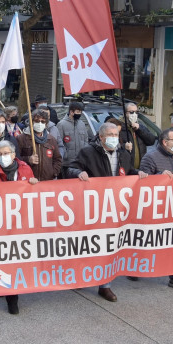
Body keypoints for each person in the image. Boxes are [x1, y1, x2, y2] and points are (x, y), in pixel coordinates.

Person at [65, 122, 148, 301]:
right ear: (101, 137)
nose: (114, 138)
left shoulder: (123, 153)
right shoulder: (88, 152)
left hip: (116, 208)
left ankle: (105, 285)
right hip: (94, 207)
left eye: (116, 135)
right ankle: (82, 275)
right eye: (110, 135)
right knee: (90, 244)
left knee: (109, 245)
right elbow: (70, 168)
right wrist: (78, 173)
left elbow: (127, 172)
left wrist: (138, 173)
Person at [0, 140, 38, 314]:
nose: (3, 157)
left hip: (22, 221)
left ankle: (13, 289)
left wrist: (34, 184)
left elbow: (34, 193)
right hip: (2, 222)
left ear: (14, 155)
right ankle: (11, 296)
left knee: (19, 257)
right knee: (6, 257)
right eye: (0, 154)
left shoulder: (25, 169)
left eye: (6, 153)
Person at [139, 128, 173, 291]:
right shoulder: (150, 157)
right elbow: (142, 184)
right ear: (165, 142)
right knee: (148, 242)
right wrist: (160, 176)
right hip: (156, 209)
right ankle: (135, 268)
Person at [16, 109, 62, 181]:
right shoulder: (22, 138)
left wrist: (53, 173)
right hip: (28, 181)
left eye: (43, 121)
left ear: (46, 124)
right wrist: (28, 159)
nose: (40, 123)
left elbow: (57, 159)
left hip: (47, 181)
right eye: (37, 121)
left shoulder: (51, 139)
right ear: (31, 122)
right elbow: (15, 159)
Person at [120, 102, 156, 170]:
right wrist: (124, 146)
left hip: (140, 169)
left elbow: (151, 141)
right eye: (131, 112)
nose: (134, 114)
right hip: (126, 169)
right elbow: (115, 146)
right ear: (125, 113)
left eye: (136, 112)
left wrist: (139, 129)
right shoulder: (119, 127)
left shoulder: (140, 126)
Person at [57, 101, 88, 177]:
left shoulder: (81, 124)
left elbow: (86, 140)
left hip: (80, 161)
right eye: (78, 111)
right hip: (67, 163)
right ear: (71, 112)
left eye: (80, 112)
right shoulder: (62, 124)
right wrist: (65, 155)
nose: (79, 114)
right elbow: (59, 143)